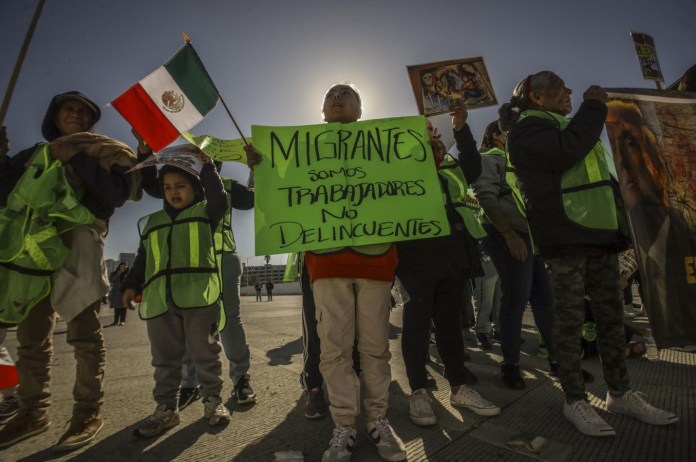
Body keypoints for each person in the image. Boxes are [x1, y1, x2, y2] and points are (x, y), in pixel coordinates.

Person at [500, 71, 678, 436]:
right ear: (535, 97)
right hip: (566, 238)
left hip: (598, 235)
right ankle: (575, 400)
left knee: (612, 317)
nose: (567, 91)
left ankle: (621, 392)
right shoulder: (527, 130)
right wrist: (594, 106)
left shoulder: (565, 125)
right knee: (568, 322)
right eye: (558, 86)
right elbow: (567, 151)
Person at [247, 83, 406, 462]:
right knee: (333, 349)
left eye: (346, 93)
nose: (337, 97)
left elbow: (408, 187)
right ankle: (345, 425)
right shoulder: (302, 152)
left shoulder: (383, 147)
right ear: (321, 110)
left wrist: (430, 156)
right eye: (331, 94)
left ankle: (378, 419)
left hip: (376, 260)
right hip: (326, 262)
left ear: (360, 108)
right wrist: (261, 170)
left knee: (375, 349)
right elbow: (278, 198)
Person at [0, 91, 136, 451]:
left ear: (92, 123)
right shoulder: (33, 156)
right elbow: (5, 193)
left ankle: (86, 413)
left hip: (79, 241)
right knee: (32, 336)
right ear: (54, 116)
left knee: (84, 334)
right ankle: (32, 412)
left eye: (83, 112)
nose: (75, 115)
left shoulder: (104, 150)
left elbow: (116, 193)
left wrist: (76, 157)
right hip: (31, 248)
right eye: (68, 109)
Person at [134, 134, 258, 407]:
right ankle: (190, 383)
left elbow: (251, 200)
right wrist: (144, 152)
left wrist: (255, 169)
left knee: (229, 321)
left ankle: (241, 378)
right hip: (186, 266)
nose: (201, 159)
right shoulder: (179, 186)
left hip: (222, 259)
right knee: (186, 322)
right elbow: (152, 185)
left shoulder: (224, 187)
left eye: (208, 156)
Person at [398, 110, 501, 428]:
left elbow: (471, 176)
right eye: (421, 129)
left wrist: (461, 129)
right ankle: (418, 391)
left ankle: (459, 387)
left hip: (455, 250)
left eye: (431, 128)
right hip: (416, 252)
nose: (428, 132)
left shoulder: (452, 162)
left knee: (449, 323)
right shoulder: (400, 163)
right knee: (416, 322)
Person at [122, 152, 231, 437]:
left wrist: (206, 166)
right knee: (164, 359)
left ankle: (213, 401)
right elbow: (143, 258)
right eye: (168, 187)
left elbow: (220, 197)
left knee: (205, 353)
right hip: (161, 301)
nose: (173, 192)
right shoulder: (153, 221)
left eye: (180, 185)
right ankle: (166, 410)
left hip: (199, 298)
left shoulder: (207, 212)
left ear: (194, 188)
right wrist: (130, 285)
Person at [472, 120, 576, 389]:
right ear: (495, 135)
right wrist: (508, 234)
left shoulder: (516, 160)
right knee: (515, 298)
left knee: (545, 299)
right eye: (507, 132)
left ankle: (558, 363)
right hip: (508, 236)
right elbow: (486, 197)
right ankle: (511, 365)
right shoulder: (489, 157)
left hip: (531, 238)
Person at [605, 100, 696, 348]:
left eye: (631, 144)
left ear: (657, 158)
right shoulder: (642, 236)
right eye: (617, 147)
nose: (622, 162)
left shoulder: (686, 231)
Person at [108, 261, 129, 326]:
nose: (125, 267)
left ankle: (122, 321)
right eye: (123, 265)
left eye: (126, 266)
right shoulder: (113, 273)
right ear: (120, 266)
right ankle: (115, 321)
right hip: (116, 293)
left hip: (124, 293)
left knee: (123, 307)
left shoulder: (127, 274)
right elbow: (111, 280)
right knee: (116, 308)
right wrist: (119, 273)